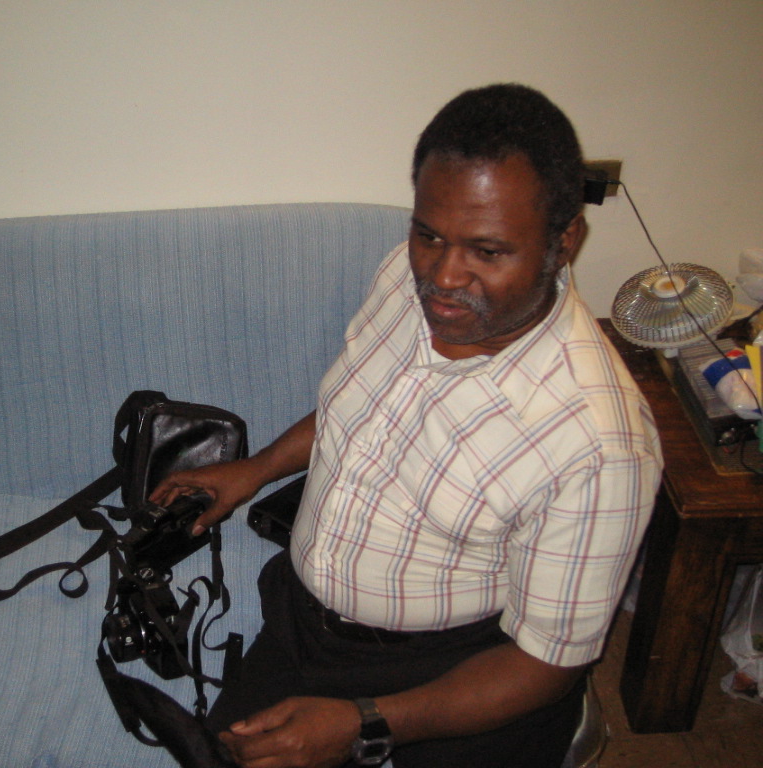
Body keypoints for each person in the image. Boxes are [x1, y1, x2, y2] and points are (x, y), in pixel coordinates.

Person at [151, 83, 662, 768]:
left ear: (564, 240)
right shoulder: (406, 276)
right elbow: (356, 411)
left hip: (469, 666)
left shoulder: (601, 444)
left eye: (487, 251)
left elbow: (545, 662)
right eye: (429, 235)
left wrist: (361, 723)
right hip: (308, 627)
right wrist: (256, 469)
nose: (443, 276)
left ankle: (562, 731)